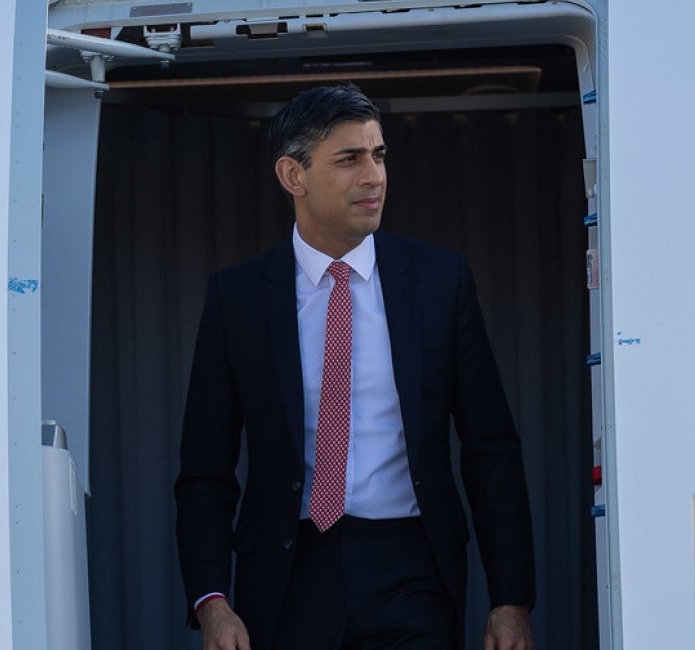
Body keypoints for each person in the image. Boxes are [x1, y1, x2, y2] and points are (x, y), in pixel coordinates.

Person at [174, 83, 536, 650]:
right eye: (349, 159)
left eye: (379, 155)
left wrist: (510, 599)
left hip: (412, 564)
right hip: (290, 571)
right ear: (293, 176)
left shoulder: (441, 282)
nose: (374, 176)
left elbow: (490, 448)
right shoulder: (237, 297)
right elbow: (205, 470)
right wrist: (212, 601)